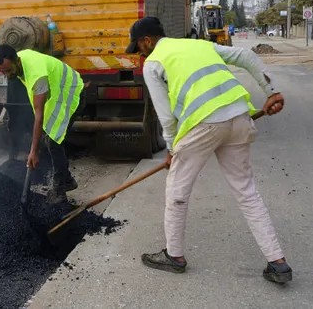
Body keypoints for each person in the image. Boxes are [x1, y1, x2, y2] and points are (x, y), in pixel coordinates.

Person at [124, 16, 292, 284]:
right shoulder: (199, 45)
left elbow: (165, 117)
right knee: (247, 192)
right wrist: (270, 91)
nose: (139, 53)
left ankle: (174, 256)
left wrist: (171, 148)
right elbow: (246, 56)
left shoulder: (154, 63)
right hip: (238, 118)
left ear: (147, 40)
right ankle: (278, 263)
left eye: (139, 47)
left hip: (202, 125)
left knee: (177, 191)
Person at [0, 45, 84, 201]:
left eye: (9, 70)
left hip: (70, 92)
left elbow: (39, 113)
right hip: (54, 93)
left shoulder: (37, 75)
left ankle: (60, 189)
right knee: (48, 137)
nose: (7, 75)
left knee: (53, 140)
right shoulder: (18, 61)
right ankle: (67, 180)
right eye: (3, 72)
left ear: (18, 61)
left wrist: (33, 152)